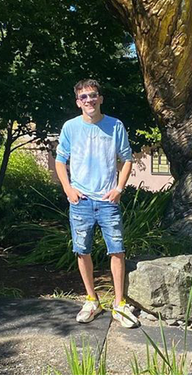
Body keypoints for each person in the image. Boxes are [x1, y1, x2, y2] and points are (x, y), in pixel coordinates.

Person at [54, 79, 140, 328]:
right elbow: (60, 160)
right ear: (77, 102)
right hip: (80, 200)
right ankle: (92, 300)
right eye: (83, 97)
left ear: (100, 98)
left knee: (117, 250)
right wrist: (68, 188)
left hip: (107, 200)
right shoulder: (70, 127)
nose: (89, 100)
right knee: (82, 251)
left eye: (93, 95)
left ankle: (119, 304)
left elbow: (127, 159)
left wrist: (118, 190)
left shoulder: (115, 126)